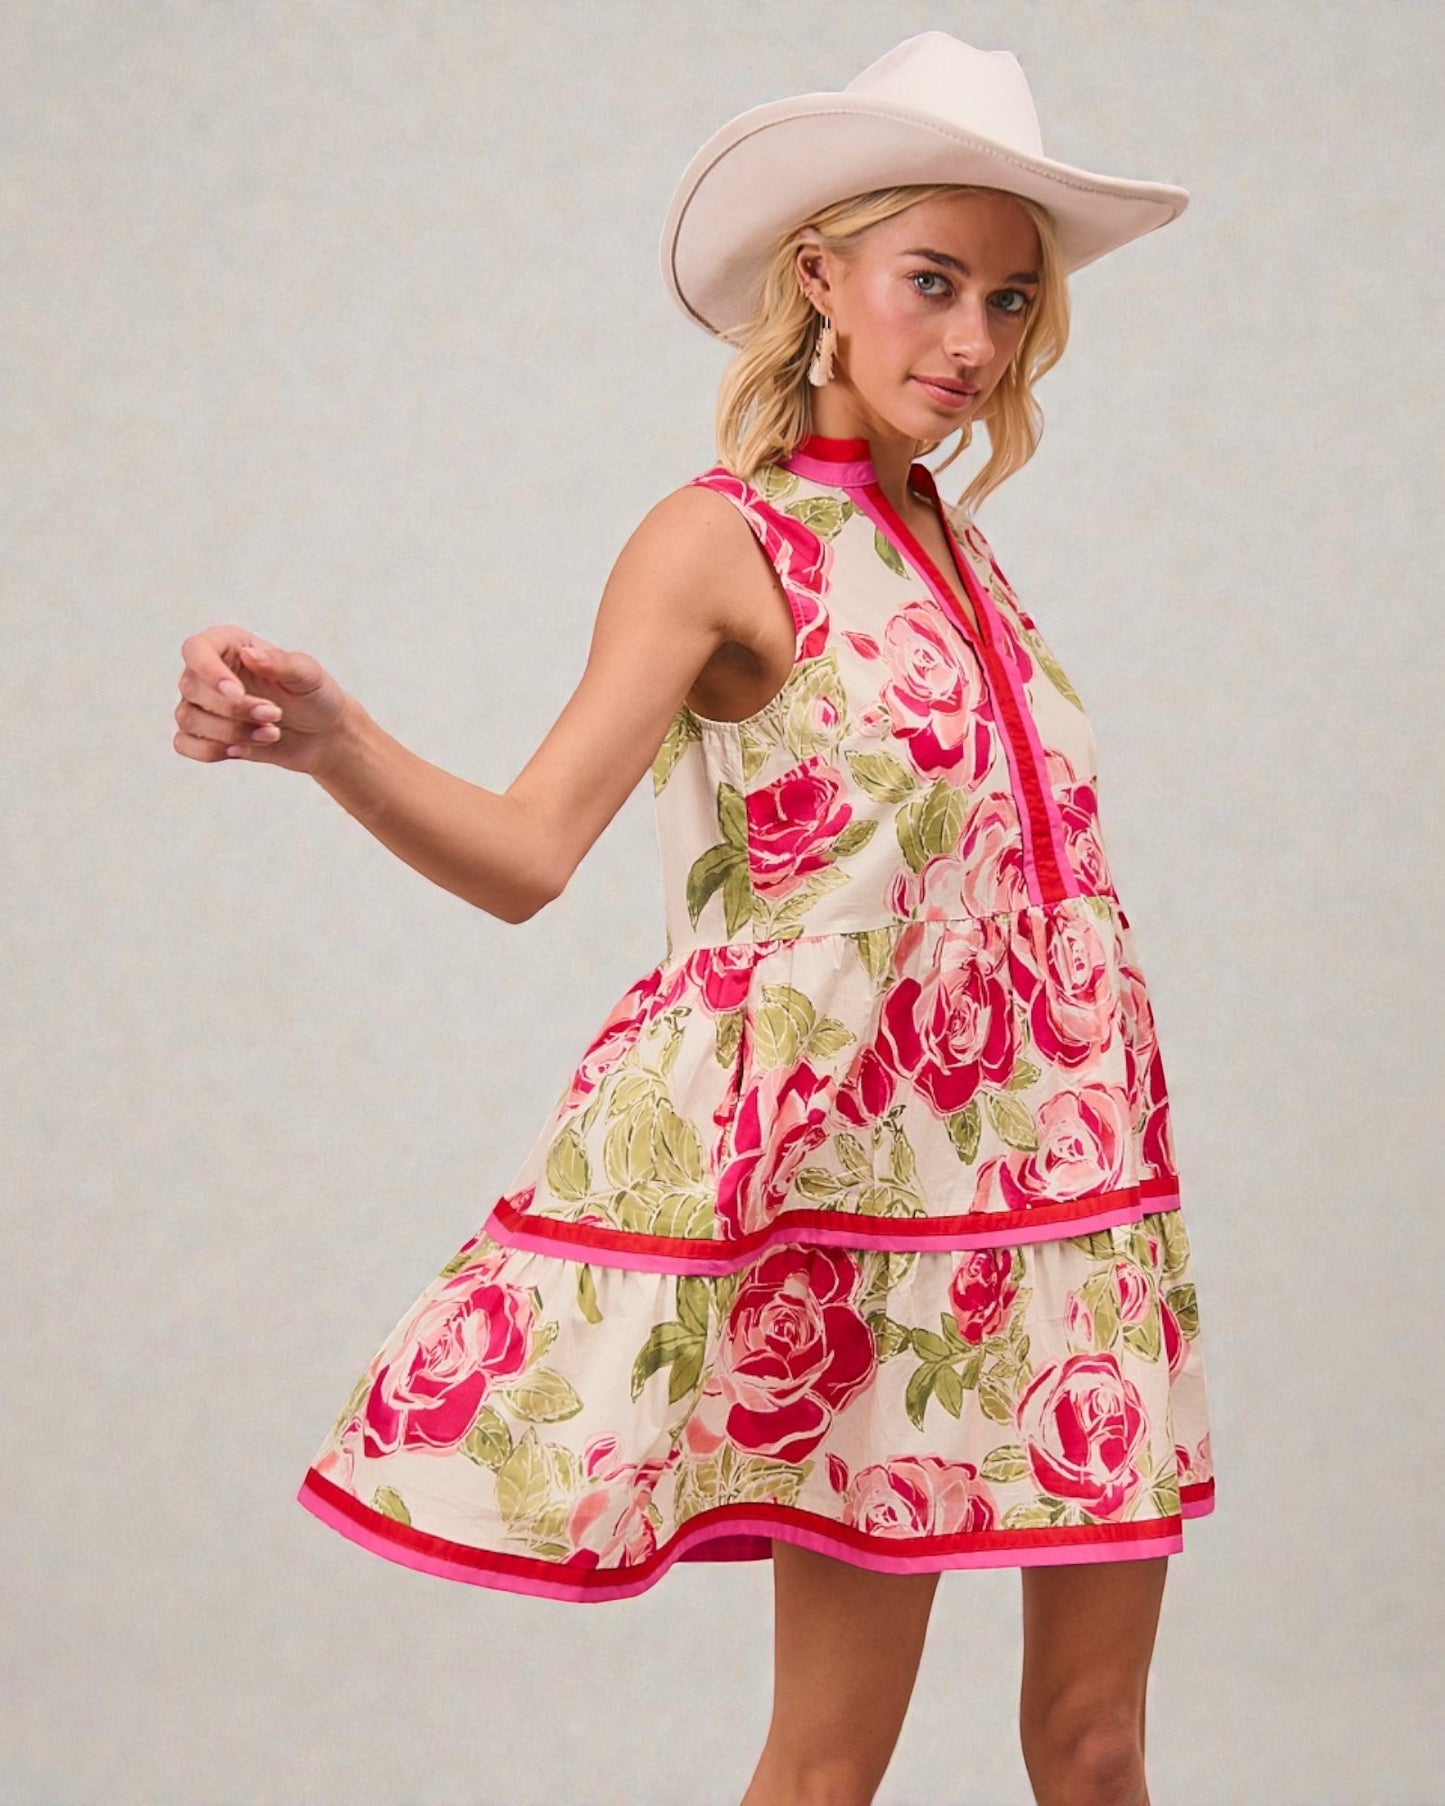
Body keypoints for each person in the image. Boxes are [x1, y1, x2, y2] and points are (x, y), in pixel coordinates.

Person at [173, 32, 1215, 1806]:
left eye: (1008, 298)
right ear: (818, 272)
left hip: (1077, 1202)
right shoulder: (719, 540)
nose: (970, 342)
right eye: (930, 281)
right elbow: (526, 850)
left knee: (1095, 1741)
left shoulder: (959, 543)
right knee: (826, 1764)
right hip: (868, 1223)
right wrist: (335, 741)